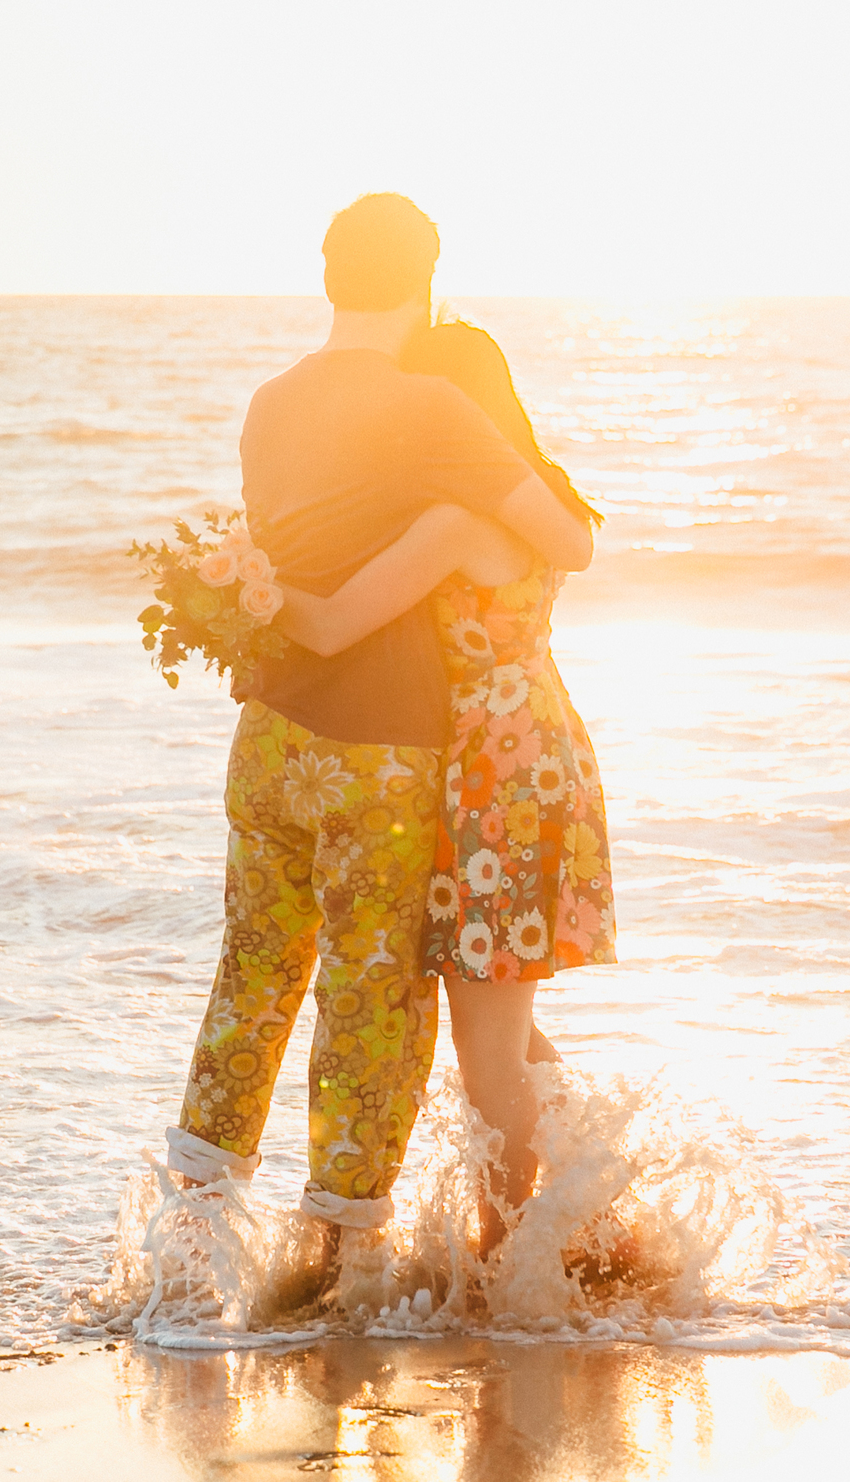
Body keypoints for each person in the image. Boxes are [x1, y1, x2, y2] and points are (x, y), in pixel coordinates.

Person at [164, 197, 595, 1284]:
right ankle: (334, 1259)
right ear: (428, 277)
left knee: (250, 975)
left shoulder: (267, 405)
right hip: (380, 751)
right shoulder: (431, 406)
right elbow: (564, 542)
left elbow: (283, 557)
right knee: (373, 1000)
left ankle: (188, 1242)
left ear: (325, 277)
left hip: (265, 739)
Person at [272, 319, 615, 1254]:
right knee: (510, 1028)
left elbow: (339, 622)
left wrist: (247, 588)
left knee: (489, 1052)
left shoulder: (457, 524)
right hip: (536, 757)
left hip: (491, 777)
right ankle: (597, 1219)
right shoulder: (539, 505)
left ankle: (508, 1258)